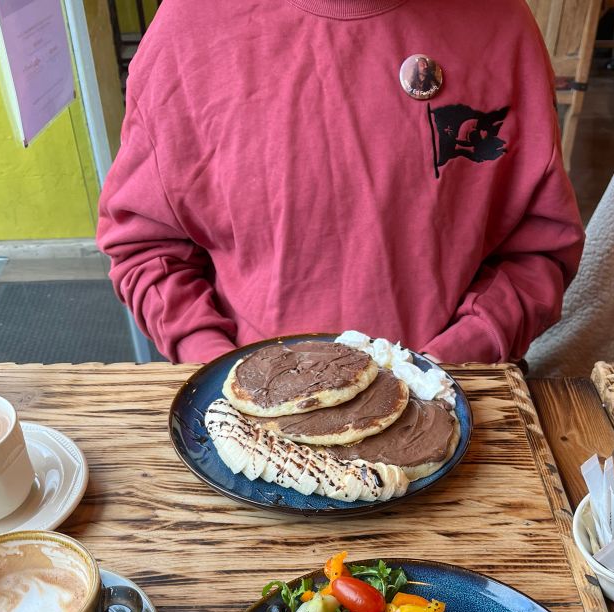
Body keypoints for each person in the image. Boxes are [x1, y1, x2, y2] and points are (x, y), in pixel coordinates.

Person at [97, 0, 585, 365]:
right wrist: (220, 370)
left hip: (458, 405)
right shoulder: (188, 31)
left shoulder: (500, 24)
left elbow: (537, 250)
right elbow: (147, 247)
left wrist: (452, 362)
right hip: (250, 423)